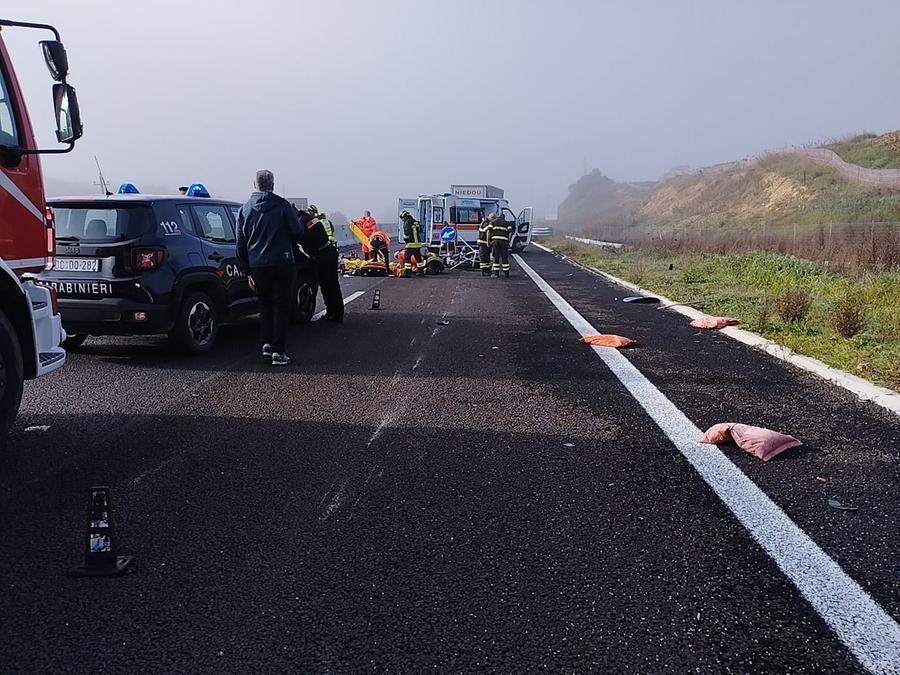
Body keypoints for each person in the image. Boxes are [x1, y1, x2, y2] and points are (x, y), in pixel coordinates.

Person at [236, 169, 304, 365]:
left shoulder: (244, 210)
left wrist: (247, 271)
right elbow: (297, 231)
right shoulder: (282, 205)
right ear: (272, 185)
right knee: (281, 306)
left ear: (255, 184)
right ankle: (279, 352)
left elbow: (240, 243)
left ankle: (266, 345)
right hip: (282, 261)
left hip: (257, 265)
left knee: (264, 305)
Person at [298, 206, 345, 322]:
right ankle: (336, 313)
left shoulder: (301, 223)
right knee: (332, 285)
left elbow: (298, 237)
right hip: (329, 253)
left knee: (327, 285)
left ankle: (333, 313)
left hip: (322, 256)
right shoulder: (311, 219)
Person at [400, 210, 425, 277]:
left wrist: (405, 239)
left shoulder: (407, 222)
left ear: (403, 217)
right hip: (418, 244)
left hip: (411, 244)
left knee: (407, 258)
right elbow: (420, 230)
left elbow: (407, 233)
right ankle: (421, 271)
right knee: (418, 258)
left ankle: (407, 272)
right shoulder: (416, 222)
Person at [487, 211, 511, 278]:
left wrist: (488, 241)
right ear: (504, 218)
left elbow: (489, 232)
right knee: (504, 257)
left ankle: (496, 274)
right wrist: (508, 241)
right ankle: (506, 274)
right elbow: (510, 233)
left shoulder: (493, 222)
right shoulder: (507, 223)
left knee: (496, 257)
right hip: (504, 242)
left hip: (496, 241)